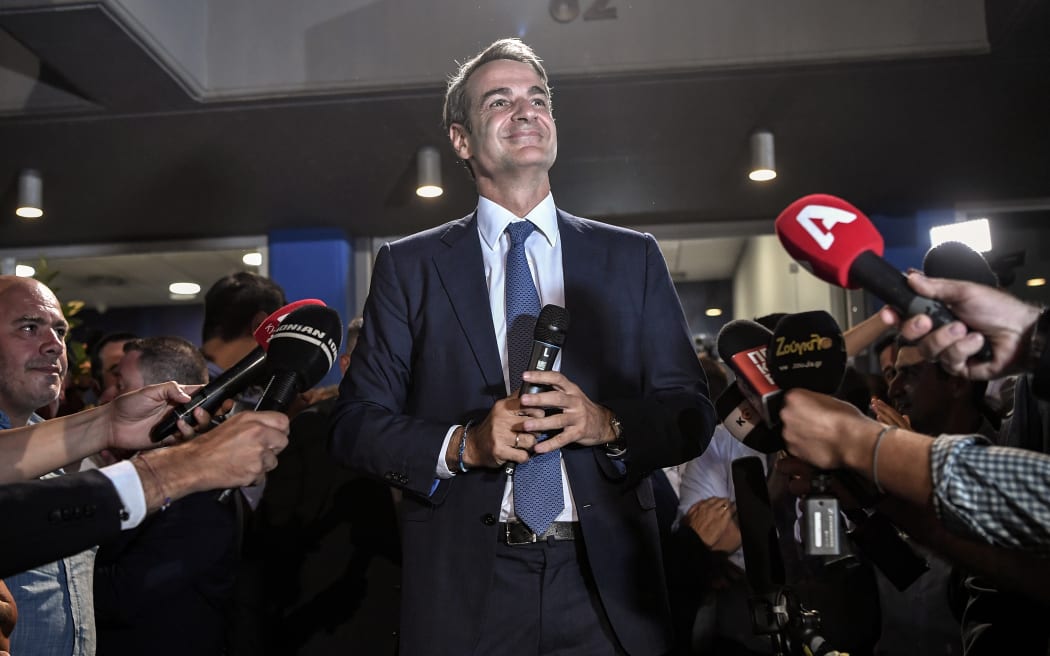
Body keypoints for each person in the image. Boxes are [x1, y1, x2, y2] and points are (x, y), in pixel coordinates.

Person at [331, 38, 715, 656]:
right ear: (461, 139)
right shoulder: (410, 266)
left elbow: (690, 413)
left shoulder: (631, 257)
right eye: (500, 102)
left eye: (538, 99)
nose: (527, 111)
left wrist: (607, 422)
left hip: (606, 585)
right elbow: (353, 425)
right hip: (468, 590)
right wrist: (466, 446)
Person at [93, 336, 240, 656]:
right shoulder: (129, 463)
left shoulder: (203, 488)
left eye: (121, 386)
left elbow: (121, 595)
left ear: (171, 399)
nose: (107, 395)